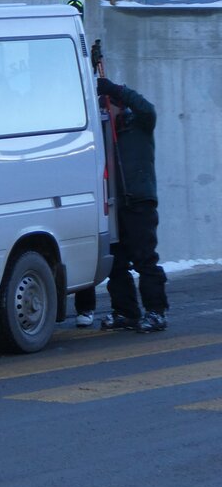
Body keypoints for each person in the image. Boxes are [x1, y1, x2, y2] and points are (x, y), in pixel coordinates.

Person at [79, 77, 169, 333]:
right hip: (114, 205)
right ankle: (126, 312)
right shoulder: (105, 133)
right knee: (116, 262)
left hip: (138, 201)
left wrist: (118, 90)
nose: (107, 111)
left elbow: (147, 108)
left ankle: (156, 312)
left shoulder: (140, 125)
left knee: (145, 259)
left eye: (111, 106)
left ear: (121, 105)